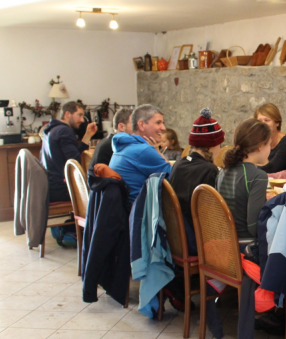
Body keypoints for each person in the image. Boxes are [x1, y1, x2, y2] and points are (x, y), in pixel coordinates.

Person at [169, 108, 223, 255]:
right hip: (196, 241)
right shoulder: (209, 170)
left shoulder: (179, 164)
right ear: (213, 145)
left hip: (175, 238)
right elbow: (212, 215)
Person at [217, 119, 271, 246]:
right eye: (269, 144)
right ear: (261, 146)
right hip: (245, 248)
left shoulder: (223, 171)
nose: (270, 149)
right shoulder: (258, 176)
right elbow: (254, 227)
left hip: (223, 246)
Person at [108, 104, 171, 203]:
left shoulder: (123, 146)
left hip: (126, 212)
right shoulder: (143, 151)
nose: (163, 128)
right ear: (141, 125)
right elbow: (174, 178)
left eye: (163, 123)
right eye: (158, 123)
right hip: (141, 215)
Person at [41, 101, 98, 202]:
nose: (82, 120)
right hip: (62, 188)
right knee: (101, 191)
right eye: (79, 115)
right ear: (67, 114)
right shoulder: (65, 131)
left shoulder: (51, 130)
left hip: (49, 186)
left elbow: (74, 156)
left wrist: (87, 135)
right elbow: (76, 163)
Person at [254, 103, 286, 174]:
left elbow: (272, 169)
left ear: (277, 123)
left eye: (267, 120)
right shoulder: (256, 140)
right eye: (259, 120)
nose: (262, 124)